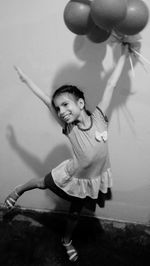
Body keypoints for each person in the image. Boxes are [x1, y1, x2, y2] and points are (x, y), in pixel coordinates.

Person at [4, 43, 129, 262]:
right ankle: (19, 190)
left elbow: (110, 83)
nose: (61, 112)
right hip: (73, 175)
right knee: (42, 182)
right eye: (58, 108)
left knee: (75, 212)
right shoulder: (70, 129)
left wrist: (124, 54)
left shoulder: (99, 116)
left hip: (92, 179)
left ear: (80, 103)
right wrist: (27, 81)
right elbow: (45, 99)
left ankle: (66, 240)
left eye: (65, 105)